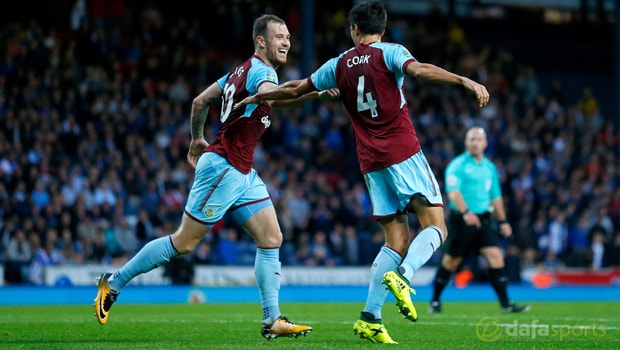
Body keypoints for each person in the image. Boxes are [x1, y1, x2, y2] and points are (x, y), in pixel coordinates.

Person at [234, 1, 489, 344]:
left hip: (371, 163)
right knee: (436, 226)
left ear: (354, 28)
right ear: (382, 29)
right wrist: (462, 80)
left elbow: (296, 88)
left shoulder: (338, 64)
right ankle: (406, 275)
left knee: (396, 241)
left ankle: (370, 317)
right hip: (403, 151)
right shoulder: (391, 52)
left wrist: (258, 97)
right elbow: (419, 70)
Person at [93, 14, 337, 340]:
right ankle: (113, 282)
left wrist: (196, 137)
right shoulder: (261, 72)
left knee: (271, 239)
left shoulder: (239, 72)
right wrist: (314, 86)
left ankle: (272, 319)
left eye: (289, 37)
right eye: (279, 36)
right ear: (260, 41)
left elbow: (201, 101)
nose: (286, 42)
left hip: (241, 170)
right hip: (224, 168)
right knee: (184, 242)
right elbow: (272, 94)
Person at [429, 127, 530, 313]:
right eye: (471, 139)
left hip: (484, 221)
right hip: (462, 220)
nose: (474, 142)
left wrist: (502, 221)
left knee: (496, 257)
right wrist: (466, 211)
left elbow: (496, 197)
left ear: (485, 143)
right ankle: (434, 301)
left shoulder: (490, 167)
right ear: (466, 142)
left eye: (478, 139)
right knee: (451, 262)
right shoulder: (457, 165)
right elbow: (453, 192)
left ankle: (506, 304)